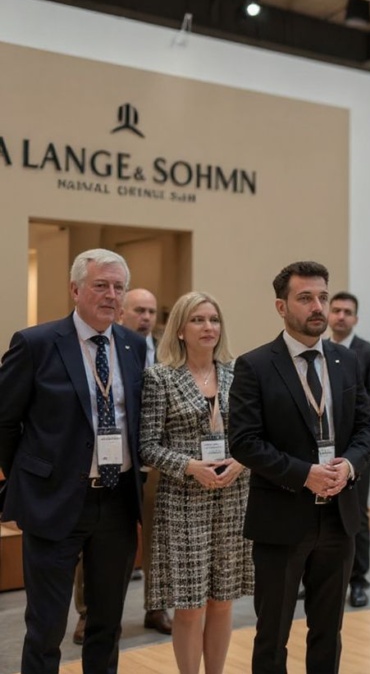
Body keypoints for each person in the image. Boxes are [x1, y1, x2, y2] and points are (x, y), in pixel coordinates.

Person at [0, 248, 146, 673]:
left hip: (117, 503)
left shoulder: (134, 346)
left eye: (118, 287)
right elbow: (5, 421)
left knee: (106, 623)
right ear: (75, 289)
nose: (111, 295)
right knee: (45, 627)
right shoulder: (36, 344)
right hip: (54, 499)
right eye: (101, 285)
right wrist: (26, 478)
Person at [229, 261, 370, 674]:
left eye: (323, 297)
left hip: (338, 517)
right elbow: (244, 442)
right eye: (305, 298)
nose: (318, 306)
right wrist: (303, 473)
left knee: (328, 631)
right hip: (281, 518)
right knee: (272, 634)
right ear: (281, 306)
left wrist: (348, 465)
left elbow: (366, 428)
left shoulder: (345, 362)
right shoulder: (255, 365)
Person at [140, 292, 253, 674]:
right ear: (182, 330)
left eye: (214, 320)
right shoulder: (161, 377)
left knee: (224, 600)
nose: (208, 328)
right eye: (199, 320)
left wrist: (241, 462)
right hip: (184, 499)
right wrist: (190, 466)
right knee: (190, 604)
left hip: (233, 496)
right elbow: (147, 447)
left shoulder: (240, 373)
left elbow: (256, 438)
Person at [73, 287, 170, 645]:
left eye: (151, 311)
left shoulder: (166, 352)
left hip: (156, 458)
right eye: (139, 310)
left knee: (158, 536)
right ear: (122, 313)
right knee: (95, 537)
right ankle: (88, 613)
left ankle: (156, 605)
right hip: (112, 457)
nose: (146, 317)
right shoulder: (109, 347)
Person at [326, 291, 370, 608]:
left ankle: (358, 580)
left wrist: (341, 408)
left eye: (347, 312)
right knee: (318, 515)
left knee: (357, 515)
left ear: (355, 318)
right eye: (335, 310)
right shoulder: (316, 352)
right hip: (321, 451)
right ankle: (317, 577)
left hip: (356, 449)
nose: (340, 316)